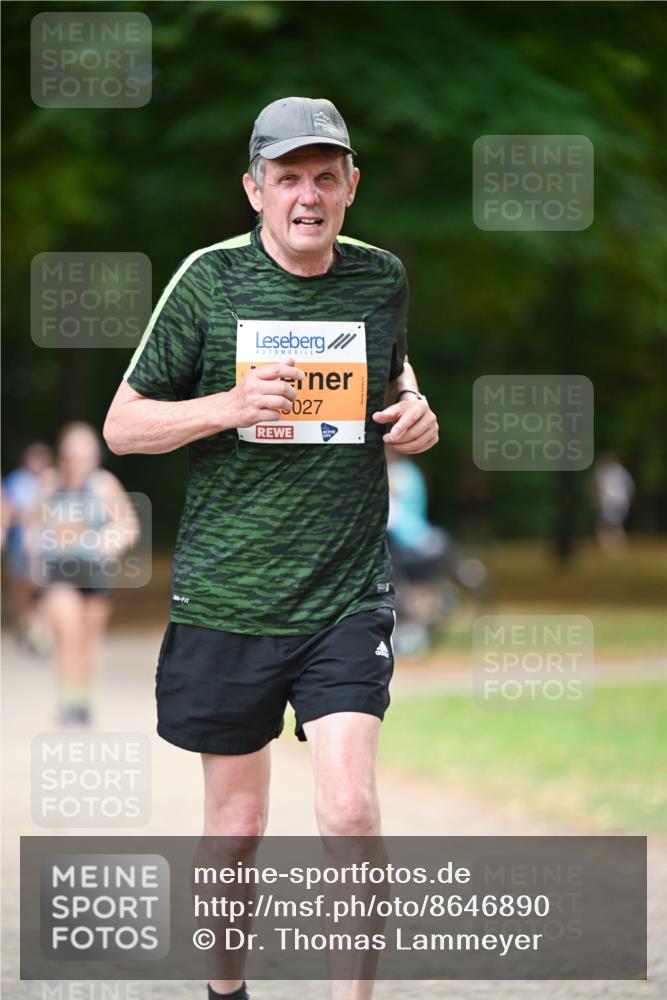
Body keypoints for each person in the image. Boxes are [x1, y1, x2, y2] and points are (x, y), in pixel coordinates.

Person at [103, 96, 438, 1000]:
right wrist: (228, 406)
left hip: (345, 592)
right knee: (237, 827)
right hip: (229, 596)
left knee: (349, 808)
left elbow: (392, 372)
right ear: (254, 189)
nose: (307, 196)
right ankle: (227, 991)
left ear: (351, 186)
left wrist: (413, 407)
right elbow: (123, 426)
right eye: (287, 178)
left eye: (324, 177)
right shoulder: (208, 280)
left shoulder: (379, 278)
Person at [26, 422, 140, 725]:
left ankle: (82, 700)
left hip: (94, 571)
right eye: (74, 456)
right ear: (63, 455)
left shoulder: (104, 485)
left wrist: (110, 541)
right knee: (69, 634)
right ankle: (67, 703)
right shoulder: (50, 483)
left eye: (86, 456)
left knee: (88, 639)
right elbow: (33, 525)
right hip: (59, 571)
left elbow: (128, 525)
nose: (80, 462)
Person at [2, 442, 54, 652]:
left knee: (45, 587)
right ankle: (26, 624)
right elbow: (7, 510)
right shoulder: (16, 480)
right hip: (20, 545)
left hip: (47, 546)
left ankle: (40, 628)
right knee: (22, 588)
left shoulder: (52, 479)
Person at [593, 451, 635, 555]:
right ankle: (614, 547)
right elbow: (630, 488)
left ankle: (612, 548)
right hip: (622, 501)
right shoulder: (622, 471)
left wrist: (598, 501)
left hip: (609, 501)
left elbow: (601, 488)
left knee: (607, 526)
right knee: (615, 525)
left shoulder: (604, 471)